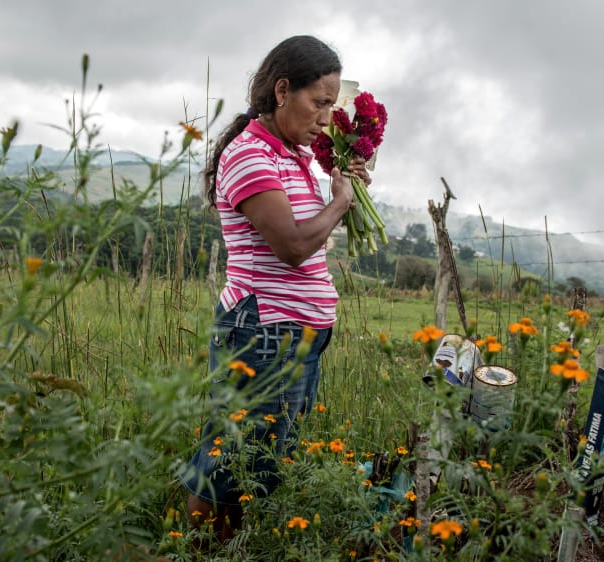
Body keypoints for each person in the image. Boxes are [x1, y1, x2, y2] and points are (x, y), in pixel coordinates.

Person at [178, 35, 372, 545]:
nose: (327, 117)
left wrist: (346, 182)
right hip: (263, 332)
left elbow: (318, 221)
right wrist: (340, 203)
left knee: (257, 459)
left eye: (333, 104)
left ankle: (226, 549)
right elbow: (291, 245)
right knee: (229, 457)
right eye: (320, 102)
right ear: (282, 90)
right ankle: (194, 552)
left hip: (297, 334)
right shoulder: (249, 154)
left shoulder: (299, 156)